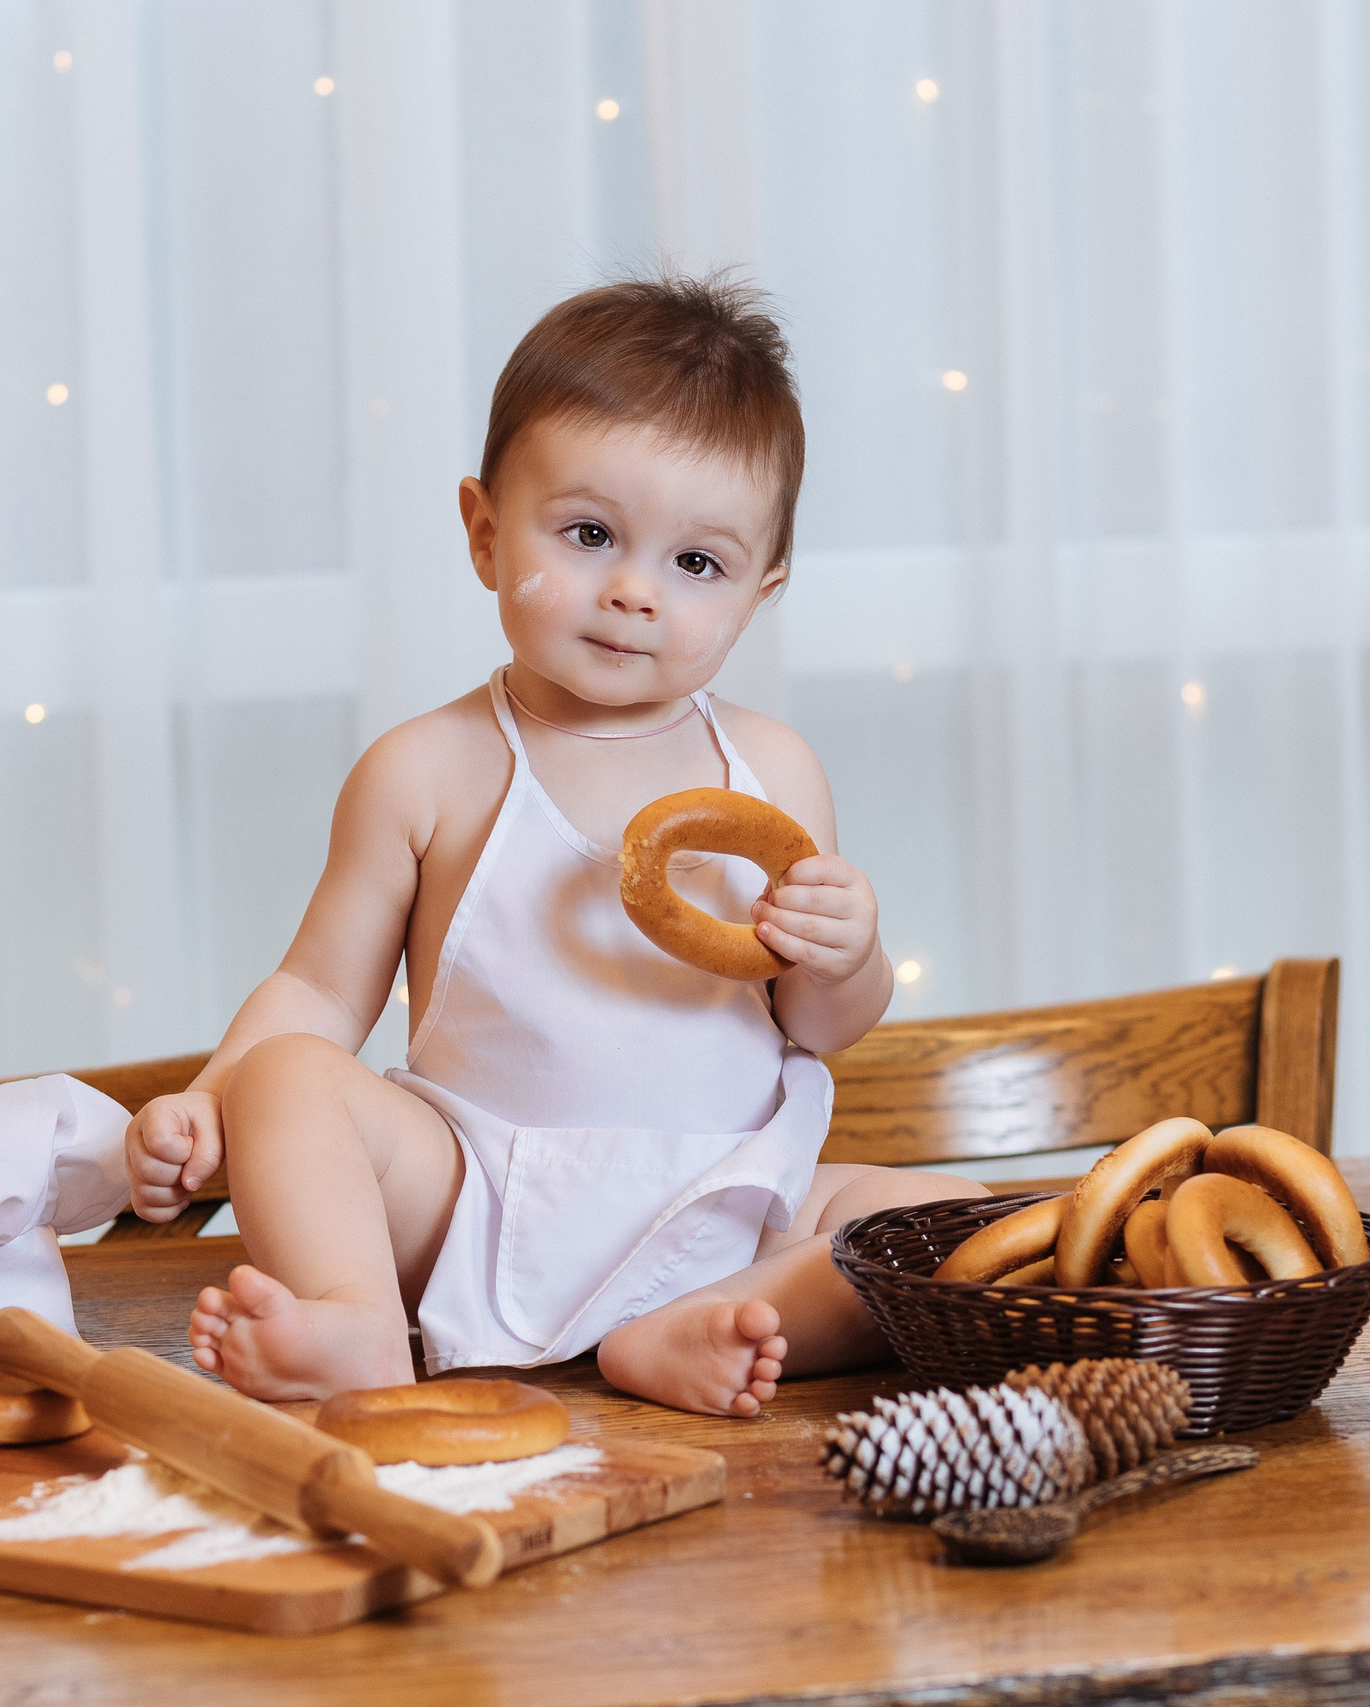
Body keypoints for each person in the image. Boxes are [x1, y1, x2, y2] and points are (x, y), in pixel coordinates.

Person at [124, 276, 985, 1416]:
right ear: (485, 534)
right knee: (290, 1079)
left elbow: (815, 1030)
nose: (633, 593)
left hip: (724, 1208)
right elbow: (315, 994)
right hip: (474, 1196)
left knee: (962, 1226)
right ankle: (358, 1319)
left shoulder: (771, 773)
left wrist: (844, 956)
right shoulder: (425, 770)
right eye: (588, 536)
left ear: (760, 592)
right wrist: (212, 1094)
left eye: (696, 565)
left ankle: (679, 1329)